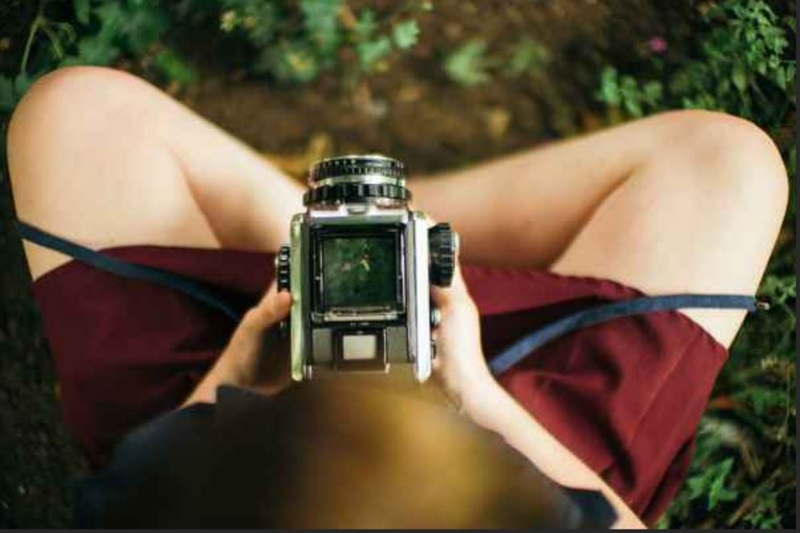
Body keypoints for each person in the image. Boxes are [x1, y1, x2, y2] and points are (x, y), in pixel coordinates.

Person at [6, 66, 787, 528]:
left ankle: (350, 230)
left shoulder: (189, 493)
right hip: (528, 441)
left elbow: (132, 496)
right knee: (730, 163)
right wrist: (480, 398)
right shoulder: (507, 504)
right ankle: (397, 235)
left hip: (227, 451)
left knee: (74, 111)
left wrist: (234, 377)